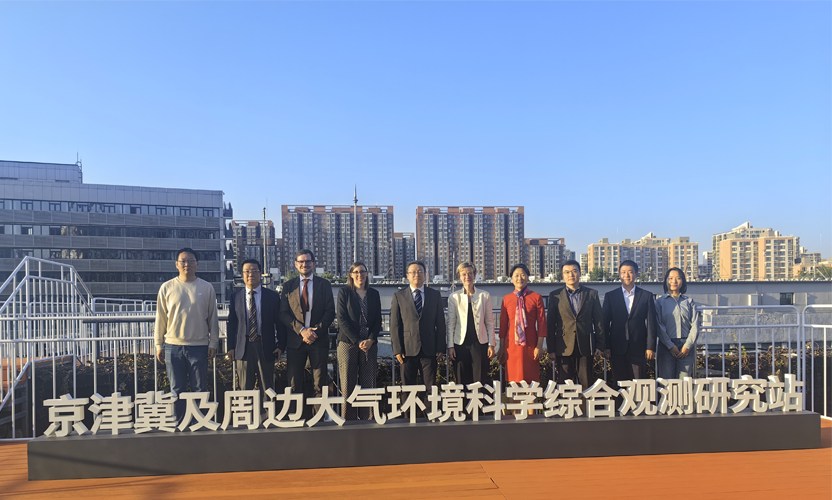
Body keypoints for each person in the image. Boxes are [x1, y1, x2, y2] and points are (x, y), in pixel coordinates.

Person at [154, 247, 219, 420]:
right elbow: (160, 319)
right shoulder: (166, 287)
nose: (187, 264)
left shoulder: (207, 288)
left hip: (199, 346)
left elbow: (213, 318)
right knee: (176, 390)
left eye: (191, 261)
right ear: (176, 264)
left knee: (200, 390)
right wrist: (159, 345)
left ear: (197, 264)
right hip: (173, 346)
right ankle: (179, 423)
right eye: (183, 261)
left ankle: (201, 423)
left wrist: (213, 343)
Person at [279, 249, 336, 407]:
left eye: (308, 261)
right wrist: (302, 330)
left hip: (318, 340)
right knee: (294, 384)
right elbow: (283, 313)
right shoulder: (288, 286)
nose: (305, 264)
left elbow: (330, 312)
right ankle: (296, 418)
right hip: (295, 341)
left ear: (314, 264)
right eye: (301, 261)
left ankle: (318, 418)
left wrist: (314, 331)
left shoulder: (324, 285)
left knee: (320, 384)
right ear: (296, 264)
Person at [227, 259, 286, 394]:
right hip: (243, 348)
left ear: (260, 274)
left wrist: (281, 346)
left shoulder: (272, 296)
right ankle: (247, 409)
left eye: (254, 271)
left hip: (265, 347)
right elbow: (232, 323)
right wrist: (230, 347)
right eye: (247, 271)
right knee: (245, 389)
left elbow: (280, 323)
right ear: (242, 275)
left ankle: (267, 409)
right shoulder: (235, 297)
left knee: (268, 388)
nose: (250, 274)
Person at [547, 259, 605, 389]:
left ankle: (585, 403)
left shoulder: (591, 294)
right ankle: (566, 404)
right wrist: (551, 349)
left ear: (580, 273)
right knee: (565, 384)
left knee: (586, 383)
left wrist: (600, 345)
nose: (571, 275)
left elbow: (599, 322)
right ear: (562, 275)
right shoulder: (555, 296)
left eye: (574, 271)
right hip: (563, 346)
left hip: (585, 345)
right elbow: (550, 324)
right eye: (567, 272)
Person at [336, 262, 382, 420]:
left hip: (369, 344)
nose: (359, 275)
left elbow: (378, 320)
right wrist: (357, 340)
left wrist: (371, 339)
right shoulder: (344, 292)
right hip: (348, 342)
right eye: (356, 272)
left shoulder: (374, 294)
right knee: (347, 384)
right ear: (351, 275)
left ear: (367, 274)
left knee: (368, 383)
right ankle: (348, 420)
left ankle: (367, 419)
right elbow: (342, 319)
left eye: (362, 271)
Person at [390, 260, 446, 387]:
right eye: (413, 272)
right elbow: (395, 325)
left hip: (430, 349)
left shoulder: (435, 295)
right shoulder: (399, 296)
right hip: (407, 350)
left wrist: (440, 347)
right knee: (407, 388)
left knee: (430, 388)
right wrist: (397, 349)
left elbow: (441, 323)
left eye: (420, 271)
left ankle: (428, 402)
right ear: (407, 275)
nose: (417, 274)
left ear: (425, 274)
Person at [602, 260, 658, 384]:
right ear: (619, 274)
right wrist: (605, 346)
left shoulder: (646, 296)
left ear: (636, 274)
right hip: (616, 347)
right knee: (619, 383)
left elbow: (651, 324)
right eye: (623, 272)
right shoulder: (611, 296)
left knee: (638, 384)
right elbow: (605, 323)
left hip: (638, 347)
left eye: (630, 272)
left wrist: (650, 347)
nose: (627, 275)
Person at [447, 262, 495, 386]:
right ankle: (462, 400)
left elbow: (489, 322)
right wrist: (450, 346)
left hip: (480, 343)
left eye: (470, 273)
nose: (467, 276)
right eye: (464, 274)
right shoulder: (454, 297)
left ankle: (478, 400)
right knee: (461, 379)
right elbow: (451, 323)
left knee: (479, 380)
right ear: (459, 277)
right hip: (460, 343)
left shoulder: (484, 295)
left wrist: (491, 344)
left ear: (474, 275)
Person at [498, 264, 546, 384]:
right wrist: (502, 347)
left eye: (523, 275)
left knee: (532, 381)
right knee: (513, 382)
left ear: (528, 277)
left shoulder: (536, 297)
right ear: (511, 279)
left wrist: (539, 346)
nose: (520, 278)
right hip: (511, 345)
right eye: (516, 275)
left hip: (531, 344)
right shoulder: (507, 299)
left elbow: (542, 323)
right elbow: (503, 326)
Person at [655, 267, 699, 379]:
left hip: (686, 346)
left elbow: (695, 325)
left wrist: (687, 346)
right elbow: (658, 325)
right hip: (666, 346)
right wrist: (670, 345)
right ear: (666, 281)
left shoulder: (689, 302)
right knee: (667, 381)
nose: (674, 281)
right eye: (670, 278)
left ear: (683, 281)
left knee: (684, 382)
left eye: (678, 278)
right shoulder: (659, 302)